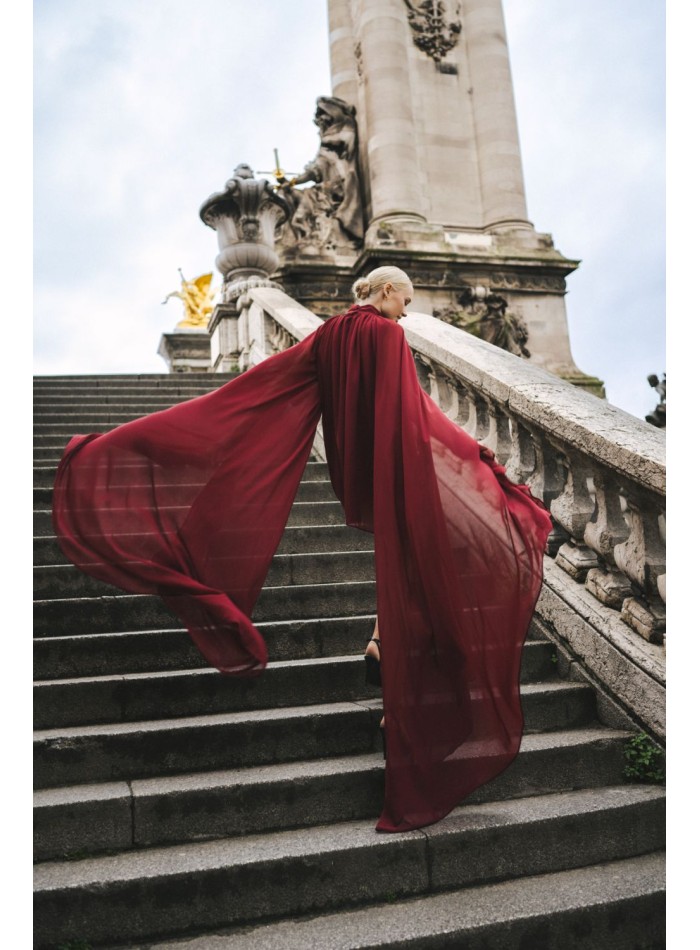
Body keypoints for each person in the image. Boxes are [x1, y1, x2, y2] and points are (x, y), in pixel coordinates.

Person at [52, 265, 551, 833]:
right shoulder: (385, 335)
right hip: (399, 464)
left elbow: (263, 387)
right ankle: (404, 710)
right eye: (405, 301)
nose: (406, 312)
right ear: (385, 292)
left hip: (354, 469)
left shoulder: (332, 332)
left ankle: (383, 643)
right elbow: (412, 410)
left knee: (409, 566)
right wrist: (472, 453)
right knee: (444, 559)